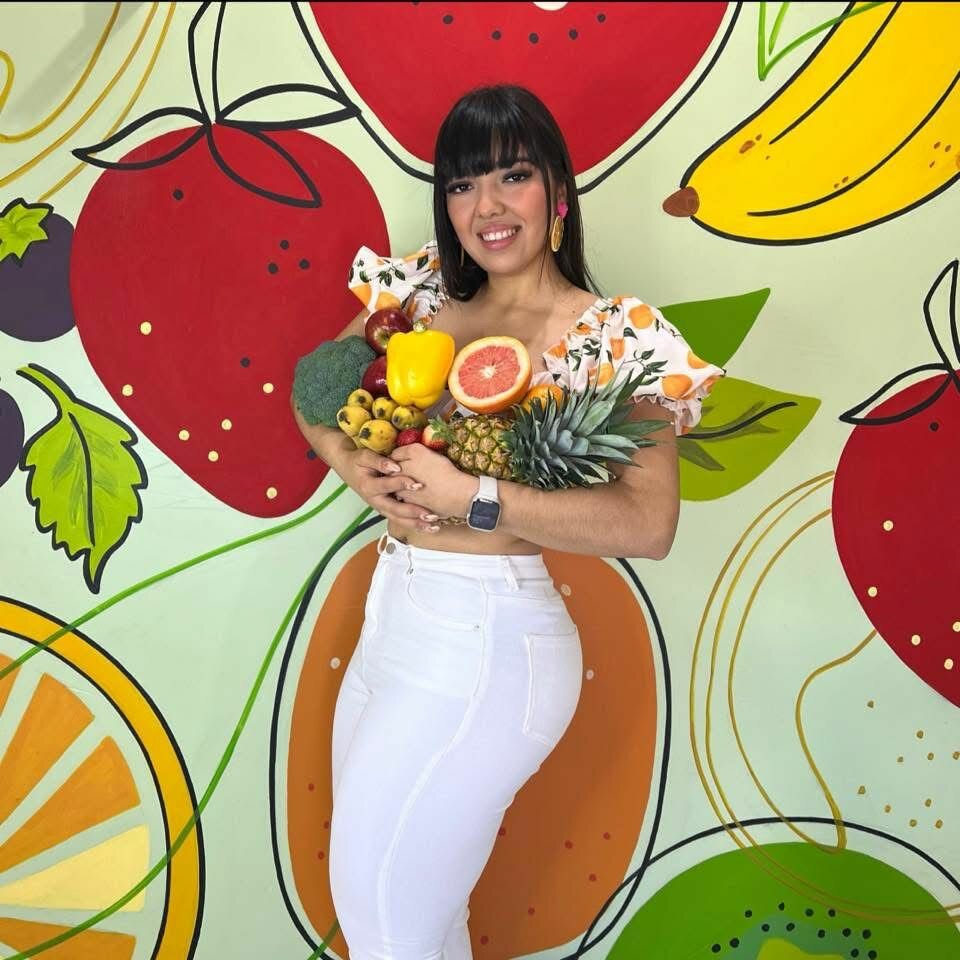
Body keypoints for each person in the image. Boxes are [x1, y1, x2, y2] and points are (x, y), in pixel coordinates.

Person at [291, 84, 725, 960]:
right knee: (416, 922)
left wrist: (475, 498)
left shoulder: (617, 335)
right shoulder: (422, 296)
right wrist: (352, 466)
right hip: (392, 616)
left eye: (512, 176)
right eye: (462, 184)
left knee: (384, 926)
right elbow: (317, 388)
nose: (486, 206)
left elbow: (648, 524)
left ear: (557, 190)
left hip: (486, 642)